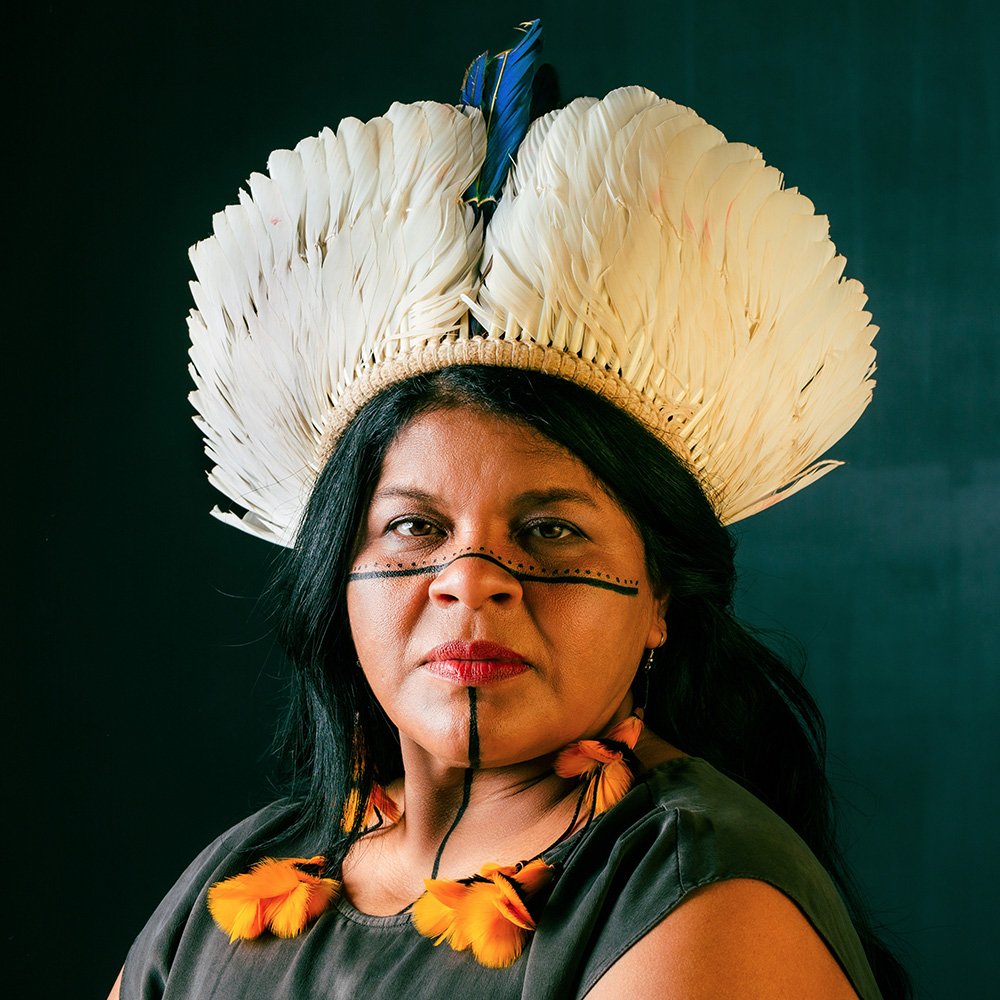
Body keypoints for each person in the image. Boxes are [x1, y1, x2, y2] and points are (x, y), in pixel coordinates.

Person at [112, 21, 910, 1000]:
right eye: (415, 528)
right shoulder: (232, 885)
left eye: (548, 532)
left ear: (659, 598)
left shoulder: (696, 898)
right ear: (338, 578)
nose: (470, 584)